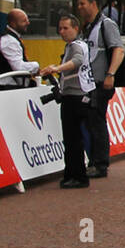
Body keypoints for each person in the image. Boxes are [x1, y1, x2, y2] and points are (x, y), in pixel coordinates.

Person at [39, 14, 95, 189]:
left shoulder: (75, 47)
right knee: (73, 138)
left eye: (65, 28)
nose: (61, 31)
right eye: (60, 28)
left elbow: (77, 62)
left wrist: (57, 68)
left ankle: (77, 175)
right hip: (77, 94)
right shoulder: (79, 45)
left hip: (75, 96)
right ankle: (73, 173)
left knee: (72, 138)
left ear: (75, 29)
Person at [76, 0, 125, 178]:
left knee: (96, 122)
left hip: (100, 82)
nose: (80, 8)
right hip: (89, 82)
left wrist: (110, 74)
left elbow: (118, 50)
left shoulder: (106, 25)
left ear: (93, 4)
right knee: (91, 121)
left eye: (82, 4)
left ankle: (100, 164)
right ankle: (95, 161)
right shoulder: (88, 26)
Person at [0, 7, 39, 89]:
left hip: (15, 86)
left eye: (27, 20)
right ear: (13, 23)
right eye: (24, 21)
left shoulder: (14, 38)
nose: (28, 23)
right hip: (10, 88)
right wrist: (36, 66)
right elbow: (18, 67)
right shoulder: (9, 41)